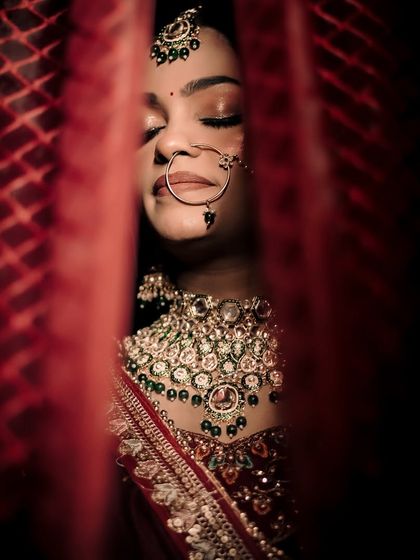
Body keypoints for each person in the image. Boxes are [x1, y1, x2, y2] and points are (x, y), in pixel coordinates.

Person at [107, 3, 302, 558]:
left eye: (219, 113)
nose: (169, 145)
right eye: (143, 129)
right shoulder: (79, 394)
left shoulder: (361, 357)